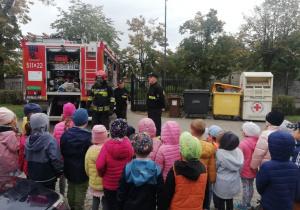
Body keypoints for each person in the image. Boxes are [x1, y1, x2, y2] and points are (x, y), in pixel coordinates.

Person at [158, 131, 209, 210]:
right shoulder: (203, 169)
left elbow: (167, 193)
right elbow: (206, 192)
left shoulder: (175, 170)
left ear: (181, 153)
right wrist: (205, 206)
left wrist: (162, 207)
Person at [117, 132, 164, 210]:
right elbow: (161, 195)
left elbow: (121, 192)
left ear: (133, 150)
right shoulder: (156, 170)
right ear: (152, 148)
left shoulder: (127, 168)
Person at [96, 119, 133, 210]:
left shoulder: (106, 146)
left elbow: (99, 165)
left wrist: (102, 174)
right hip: (124, 184)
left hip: (109, 184)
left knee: (111, 206)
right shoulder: (128, 145)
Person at [256, 130, 299, 210]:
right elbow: (296, 188)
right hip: (287, 205)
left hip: (269, 204)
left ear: (271, 147)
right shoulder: (294, 167)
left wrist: (263, 193)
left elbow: (260, 186)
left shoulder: (267, 166)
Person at [60, 108, 92, 210]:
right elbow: (89, 154)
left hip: (69, 168)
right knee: (81, 191)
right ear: (86, 122)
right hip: (82, 170)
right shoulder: (89, 137)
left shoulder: (65, 134)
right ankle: (78, 207)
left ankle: (71, 205)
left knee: (71, 188)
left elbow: (62, 149)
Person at [24, 113, 63, 190]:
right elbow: (55, 158)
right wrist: (59, 171)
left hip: (33, 175)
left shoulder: (28, 140)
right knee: (49, 198)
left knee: (35, 196)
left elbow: (26, 155)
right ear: (46, 124)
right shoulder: (50, 140)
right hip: (48, 177)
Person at [213, 131, 244, 210]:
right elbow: (240, 167)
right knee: (230, 200)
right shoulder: (239, 152)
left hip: (221, 182)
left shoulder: (219, 154)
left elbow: (215, 167)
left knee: (221, 201)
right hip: (233, 181)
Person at [234, 122, 261, 210]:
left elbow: (238, 155)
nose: (241, 131)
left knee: (245, 187)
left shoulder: (242, 144)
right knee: (250, 186)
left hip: (245, 169)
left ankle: (244, 205)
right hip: (253, 168)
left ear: (245, 133)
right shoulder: (257, 142)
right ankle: (248, 202)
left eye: (242, 130)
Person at [53, 102, 76, 196]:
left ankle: (61, 194)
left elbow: (54, 142)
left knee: (62, 178)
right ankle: (72, 196)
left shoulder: (57, 126)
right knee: (72, 179)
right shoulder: (75, 126)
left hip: (60, 158)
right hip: (71, 159)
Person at [85, 125, 108, 210]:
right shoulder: (106, 149)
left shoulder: (90, 150)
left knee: (95, 201)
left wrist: (90, 176)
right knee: (105, 202)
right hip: (105, 182)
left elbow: (86, 167)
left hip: (94, 182)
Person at [0, 107, 20, 176]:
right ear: (11, 121)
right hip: (9, 165)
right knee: (11, 183)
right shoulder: (11, 134)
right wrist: (18, 138)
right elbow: (15, 147)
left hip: (1, 166)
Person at [146, 72, 165, 137]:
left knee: (156, 124)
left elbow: (161, 98)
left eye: (150, 77)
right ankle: (152, 136)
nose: (149, 78)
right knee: (150, 125)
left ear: (155, 78)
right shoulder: (151, 87)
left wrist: (162, 106)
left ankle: (158, 137)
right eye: (149, 77)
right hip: (150, 109)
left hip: (156, 110)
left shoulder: (158, 88)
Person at [288, 121, 300, 209]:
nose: (292, 132)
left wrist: (296, 196)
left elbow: (297, 173)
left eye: (294, 130)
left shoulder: (298, 151)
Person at [19, 113, 33, 178]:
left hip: (27, 168)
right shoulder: (43, 138)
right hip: (40, 168)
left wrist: (20, 167)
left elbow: (21, 155)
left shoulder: (22, 139)